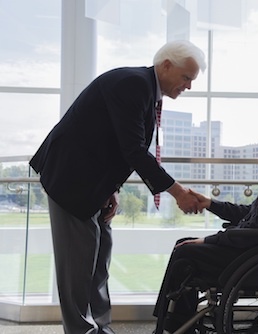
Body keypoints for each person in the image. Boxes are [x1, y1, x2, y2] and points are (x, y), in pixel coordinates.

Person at [29, 40, 206, 334]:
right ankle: (82, 330)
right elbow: (133, 150)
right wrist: (178, 193)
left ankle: (101, 327)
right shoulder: (133, 85)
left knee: (98, 261)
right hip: (71, 182)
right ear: (166, 66)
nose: (188, 86)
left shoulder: (144, 89)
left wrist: (113, 188)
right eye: (186, 77)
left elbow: (109, 142)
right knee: (78, 266)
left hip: (95, 183)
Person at [153, 123, 258, 334]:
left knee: (185, 251)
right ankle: (177, 322)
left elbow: (256, 227)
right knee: (184, 246)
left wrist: (210, 240)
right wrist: (210, 204)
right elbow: (250, 216)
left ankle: (174, 322)